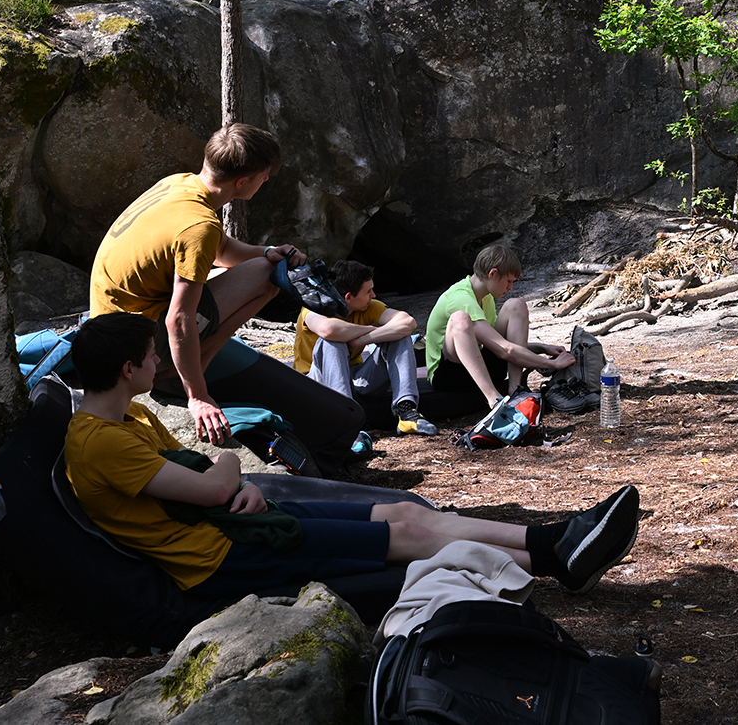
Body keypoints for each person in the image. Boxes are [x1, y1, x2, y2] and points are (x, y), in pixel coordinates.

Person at [64, 313, 639, 597]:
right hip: (220, 556)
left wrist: (231, 481)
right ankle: (552, 557)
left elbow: (197, 480)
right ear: (127, 370)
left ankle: (554, 539)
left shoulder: (128, 417)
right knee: (409, 537)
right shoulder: (100, 440)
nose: (158, 364)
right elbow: (212, 479)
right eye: (150, 356)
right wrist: (232, 471)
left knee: (404, 513)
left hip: (236, 522)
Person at [88, 123, 363, 475]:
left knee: (266, 264)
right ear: (243, 182)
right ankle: (180, 372)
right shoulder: (196, 226)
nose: (266, 182)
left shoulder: (181, 185)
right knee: (268, 277)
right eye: (264, 176)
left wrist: (268, 250)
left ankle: (184, 366)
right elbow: (179, 319)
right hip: (132, 343)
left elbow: (220, 249)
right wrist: (197, 395)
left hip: (111, 324)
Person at [424, 243, 574, 411]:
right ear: (493, 274)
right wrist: (552, 364)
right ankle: (493, 399)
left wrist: (542, 347)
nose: (510, 288)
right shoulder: (460, 298)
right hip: (450, 376)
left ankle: (515, 390)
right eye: (508, 281)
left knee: (516, 305)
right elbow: (505, 350)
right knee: (461, 319)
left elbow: (495, 343)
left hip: (480, 367)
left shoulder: (485, 297)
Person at [293, 259, 433, 436]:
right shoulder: (313, 308)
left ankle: (406, 411)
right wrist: (369, 329)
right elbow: (328, 330)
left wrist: (362, 340)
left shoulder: (367, 307)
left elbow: (407, 322)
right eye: (368, 292)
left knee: (400, 334)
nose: (373, 295)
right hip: (318, 386)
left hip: (358, 380)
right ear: (348, 297)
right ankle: (346, 420)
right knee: (332, 341)